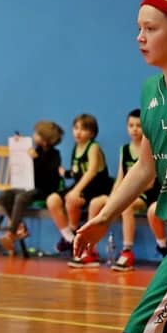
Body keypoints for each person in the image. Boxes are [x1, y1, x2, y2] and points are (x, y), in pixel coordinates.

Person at [74, 0, 167, 333]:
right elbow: (145, 167)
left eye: (150, 28)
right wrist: (106, 215)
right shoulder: (151, 93)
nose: (140, 37)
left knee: (149, 327)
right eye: (138, 28)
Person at [86, 109, 167, 271]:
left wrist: (125, 197)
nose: (134, 129)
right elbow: (120, 178)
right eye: (131, 125)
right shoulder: (124, 149)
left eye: (138, 125)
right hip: (127, 191)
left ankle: (127, 251)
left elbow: (149, 182)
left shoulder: (151, 147)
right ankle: (90, 250)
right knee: (96, 203)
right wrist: (113, 198)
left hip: (145, 195)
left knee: (127, 206)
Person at [43, 114, 112, 265]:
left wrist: (75, 190)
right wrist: (66, 173)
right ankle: (70, 238)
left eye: (83, 129)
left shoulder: (93, 147)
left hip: (96, 188)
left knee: (72, 200)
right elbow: (78, 171)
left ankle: (81, 239)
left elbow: (91, 171)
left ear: (92, 133)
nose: (78, 132)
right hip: (81, 187)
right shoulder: (77, 147)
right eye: (76, 128)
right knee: (52, 200)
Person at [0, 121, 64, 252]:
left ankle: (11, 233)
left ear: (44, 140)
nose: (34, 135)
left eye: (37, 134)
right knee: (4, 195)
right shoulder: (36, 150)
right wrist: (19, 143)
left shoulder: (54, 155)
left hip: (45, 190)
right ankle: (20, 228)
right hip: (30, 187)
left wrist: (36, 159)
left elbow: (46, 176)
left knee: (21, 198)